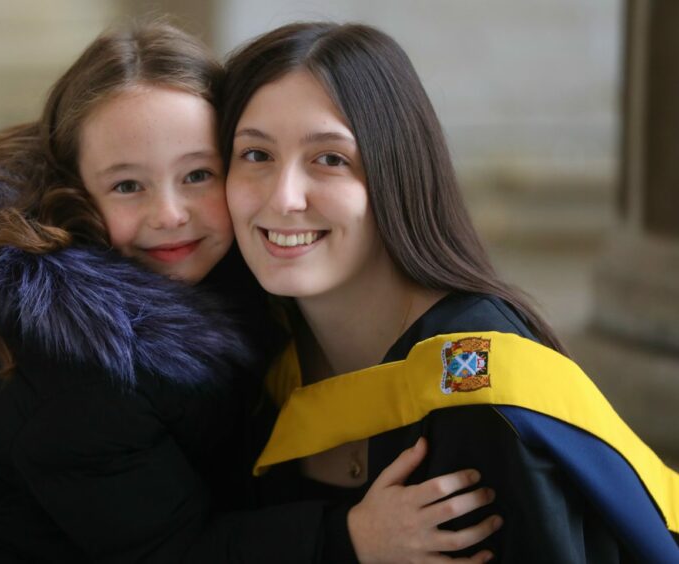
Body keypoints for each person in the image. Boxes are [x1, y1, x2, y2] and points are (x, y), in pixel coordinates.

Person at [0, 21, 500, 563]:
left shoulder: (232, 276)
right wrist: (349, 539)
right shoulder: (70, 349)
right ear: (76, 195)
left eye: (199, 175)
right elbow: (170, 551)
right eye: (128, 185)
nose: (170, 214)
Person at [221, 21, 679, 564]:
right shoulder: (251, 356)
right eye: (255, 155)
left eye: (330, 159)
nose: (285, 197)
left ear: (396, 173)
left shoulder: (478, 390)